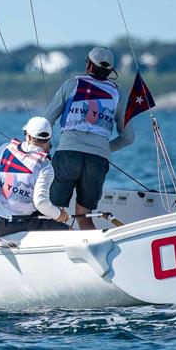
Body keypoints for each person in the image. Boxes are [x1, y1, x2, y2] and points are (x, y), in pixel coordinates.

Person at [44, 46, 134, 229]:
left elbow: (46, 122)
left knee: (53, 212)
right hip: (98, 160)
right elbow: (128, 137)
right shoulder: (119, 94)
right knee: (84, 217)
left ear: (89, 65)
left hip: (68, 156)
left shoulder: (71, 84)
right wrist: (103, 149)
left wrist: (44, 146)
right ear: (110, 70)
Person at [0, 117, 71, 236]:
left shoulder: (4, 148)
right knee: (68, 231)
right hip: (17, 224)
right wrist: (59, 215)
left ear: (29, 136)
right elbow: (41, 202)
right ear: (48, 138)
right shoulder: (45, 166)